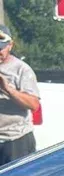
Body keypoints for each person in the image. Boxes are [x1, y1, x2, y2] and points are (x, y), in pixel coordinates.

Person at [0, 27, 40, 165]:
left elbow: (34, 104)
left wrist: (7, 89)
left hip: (15, 141)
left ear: (10, 45)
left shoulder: (21, 69)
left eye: (1, 48)